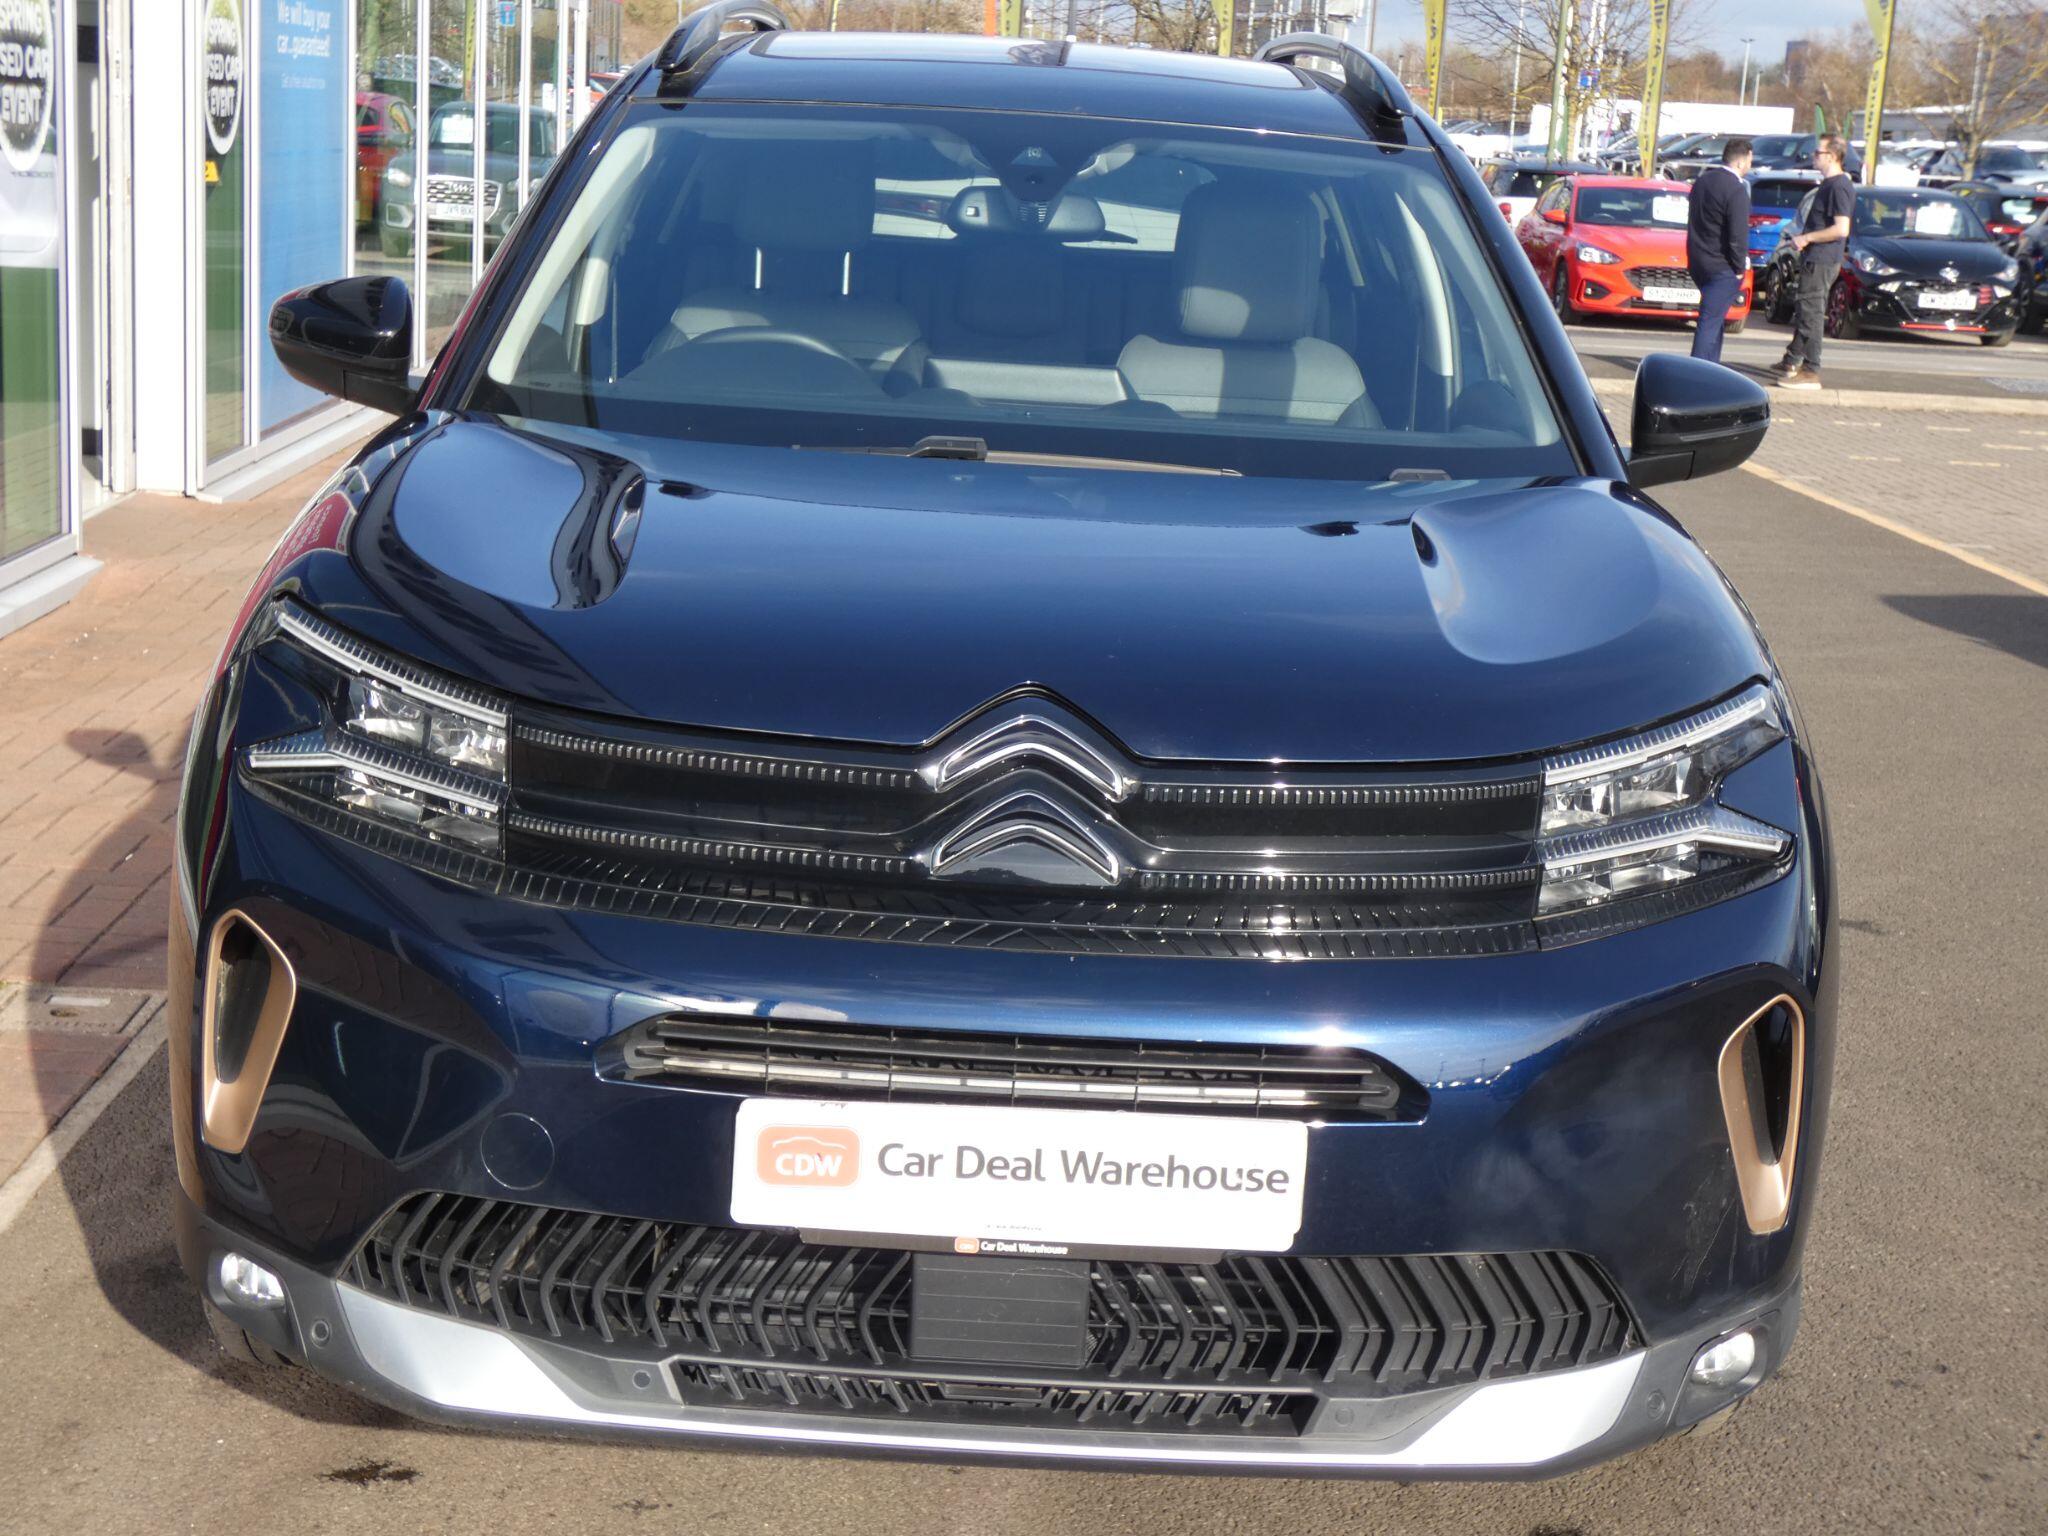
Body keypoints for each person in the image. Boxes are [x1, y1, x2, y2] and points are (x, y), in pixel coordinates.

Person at [1775, 136, 1856, 390]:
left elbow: (1841, 229)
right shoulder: (1829, 185)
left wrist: (1807, 238)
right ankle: (1792, 360)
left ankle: (1810, 370)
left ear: (1831, 156)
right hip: (1815, 257)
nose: (1813, 156)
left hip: (1822, 258)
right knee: (1805, 308)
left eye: (1817, 153)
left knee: (1811, 311)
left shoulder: (1839, 187)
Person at [1686, 138, 1754, 363]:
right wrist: (1739, 267)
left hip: (1698, 261)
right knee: (1709, 322)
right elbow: (1737, 235)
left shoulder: (1702, 182)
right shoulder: (1736, 190)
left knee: (1714, 321)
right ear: (1741, 161)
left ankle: (1711, 367)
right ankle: (1696, 371)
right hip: (1722, 267)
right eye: (1750, 160)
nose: (1750, 165)